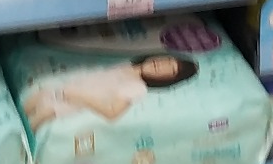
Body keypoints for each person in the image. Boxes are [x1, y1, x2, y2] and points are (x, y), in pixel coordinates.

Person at [21, 53, 198, 130]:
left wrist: (77, 96)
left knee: (38, 117)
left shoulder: (137, 87)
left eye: (169, 70)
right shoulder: (128, 63)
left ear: (167, 79)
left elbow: (112, 113)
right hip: (60, 87)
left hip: (68, 101)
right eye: (167, 60)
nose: (161, 65)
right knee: (25, 107)